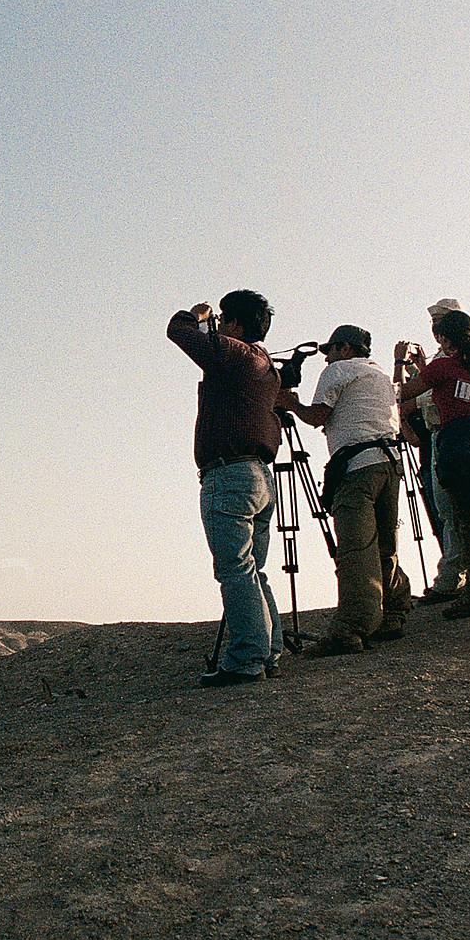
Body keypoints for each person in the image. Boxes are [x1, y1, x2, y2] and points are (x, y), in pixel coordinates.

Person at [168, 292, 285, 687]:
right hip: (259, 475)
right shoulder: (265, 366)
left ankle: (247, 658)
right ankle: (268, 650)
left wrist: (196, 316)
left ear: (233, 323)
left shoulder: (236, 354)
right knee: (254, 570)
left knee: (235, 569)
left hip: (229, 475)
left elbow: (178, 332)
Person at [277, 325, 410, 656]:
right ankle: (393, 612)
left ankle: (351, 627)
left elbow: (316, 415)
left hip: (357, 467)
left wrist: (289, 402)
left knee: (355, 548)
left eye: (331, 350)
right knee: (384, 543)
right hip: (389, 463)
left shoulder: (338, 371)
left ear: (345, 348)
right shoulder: (377, 375)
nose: (326, 357)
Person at [396, 310, 470, 617]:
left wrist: (398, 364)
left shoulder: (443, 365)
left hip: (459, 442)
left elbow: (399, 394)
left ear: (443, 338)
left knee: (465, 520)